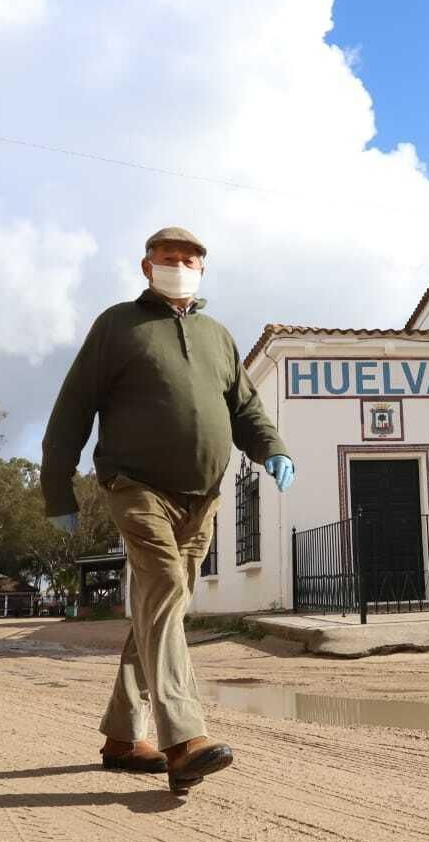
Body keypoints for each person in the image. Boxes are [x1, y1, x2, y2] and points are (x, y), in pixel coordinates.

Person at [41, 226, 294, 793]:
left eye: (189, 259)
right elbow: (72, 409)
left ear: (203, 271)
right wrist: (57, 490)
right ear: (146, 266)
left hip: (200, 498)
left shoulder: (217, 336)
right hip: (136, 487)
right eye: (167, 257)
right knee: (164, 588)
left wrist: (272, 448)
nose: (178, 265)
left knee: (161, 608)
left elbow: (245, 409)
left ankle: (124, 738)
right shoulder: (117, 326)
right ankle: (185, 739)